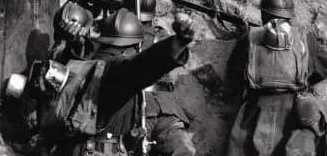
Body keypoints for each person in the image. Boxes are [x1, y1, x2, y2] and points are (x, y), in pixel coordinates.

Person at [12, 9, 195, 156]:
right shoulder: (117, 72)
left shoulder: (79, 66)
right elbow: (144, 64)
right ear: (137, 46)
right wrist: (177, 43)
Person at [225, 0, 327, 156]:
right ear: (289, 16)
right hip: (294, 109)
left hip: (256, 109)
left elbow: (233, 75)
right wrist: (305, 80)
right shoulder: (303, 38)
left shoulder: (250, 37)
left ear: (264, 14)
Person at [119, 0, 196, 156]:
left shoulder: (160, 37)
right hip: (137, 110)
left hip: (164, 109)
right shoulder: (118, 38)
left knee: (182, 150)